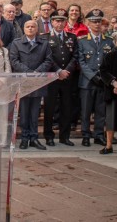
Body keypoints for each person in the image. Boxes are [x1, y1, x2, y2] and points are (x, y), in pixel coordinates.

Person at [9, 20, 54, 149]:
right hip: (23, 82)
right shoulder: (16, 43)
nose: (30, 28)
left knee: (35, 113)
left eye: (32, 26)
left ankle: (34, 138)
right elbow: (14, 61)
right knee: (24, 113)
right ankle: (24, 138)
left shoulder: (44, 43)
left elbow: (48, 60)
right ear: (24, 29)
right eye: (27, 26)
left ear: (37, 29)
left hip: (38, 82)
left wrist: (37, 73)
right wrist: (29, 73)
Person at [78, 9, 115, 147]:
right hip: (87, 81)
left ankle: (99, 135)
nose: (97, 24)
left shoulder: (109, 41)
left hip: (103, 81)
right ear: (88, 23)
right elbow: (81, 61)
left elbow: (112, 61)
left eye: (99, 21)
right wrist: (92, 76)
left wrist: (105, 77)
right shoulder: (82, 41)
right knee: (86, 110)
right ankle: (86, 135)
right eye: (94, 22)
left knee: (101, 110)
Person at [43, 8, 79, 146]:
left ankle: (65, 136)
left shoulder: (72, 37)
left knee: (67, 107)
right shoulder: (45, 37)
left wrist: (67, 70)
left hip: (68, 78)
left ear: (65, 22)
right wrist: (58, 71)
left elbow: (75, 56)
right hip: (52, 77)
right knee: (49, 108)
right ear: (52, 22)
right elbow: (47, 57)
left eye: (62, 21)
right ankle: (49, 136)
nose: (60, 23)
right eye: (57, 21)